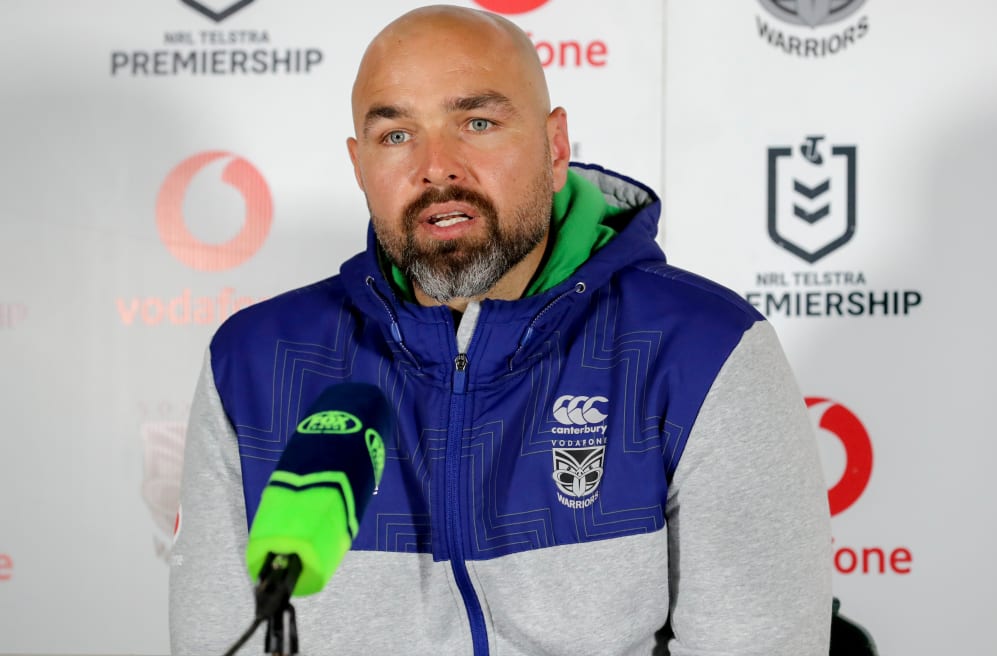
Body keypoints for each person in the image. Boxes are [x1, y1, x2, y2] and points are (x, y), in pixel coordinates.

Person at [169, 5, 832, 655]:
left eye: (478, 122)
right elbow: (220, 640)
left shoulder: (703, 351)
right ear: (359, 164)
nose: (436, 166)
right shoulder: (253, 364)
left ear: (556, 148)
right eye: (396, 135)